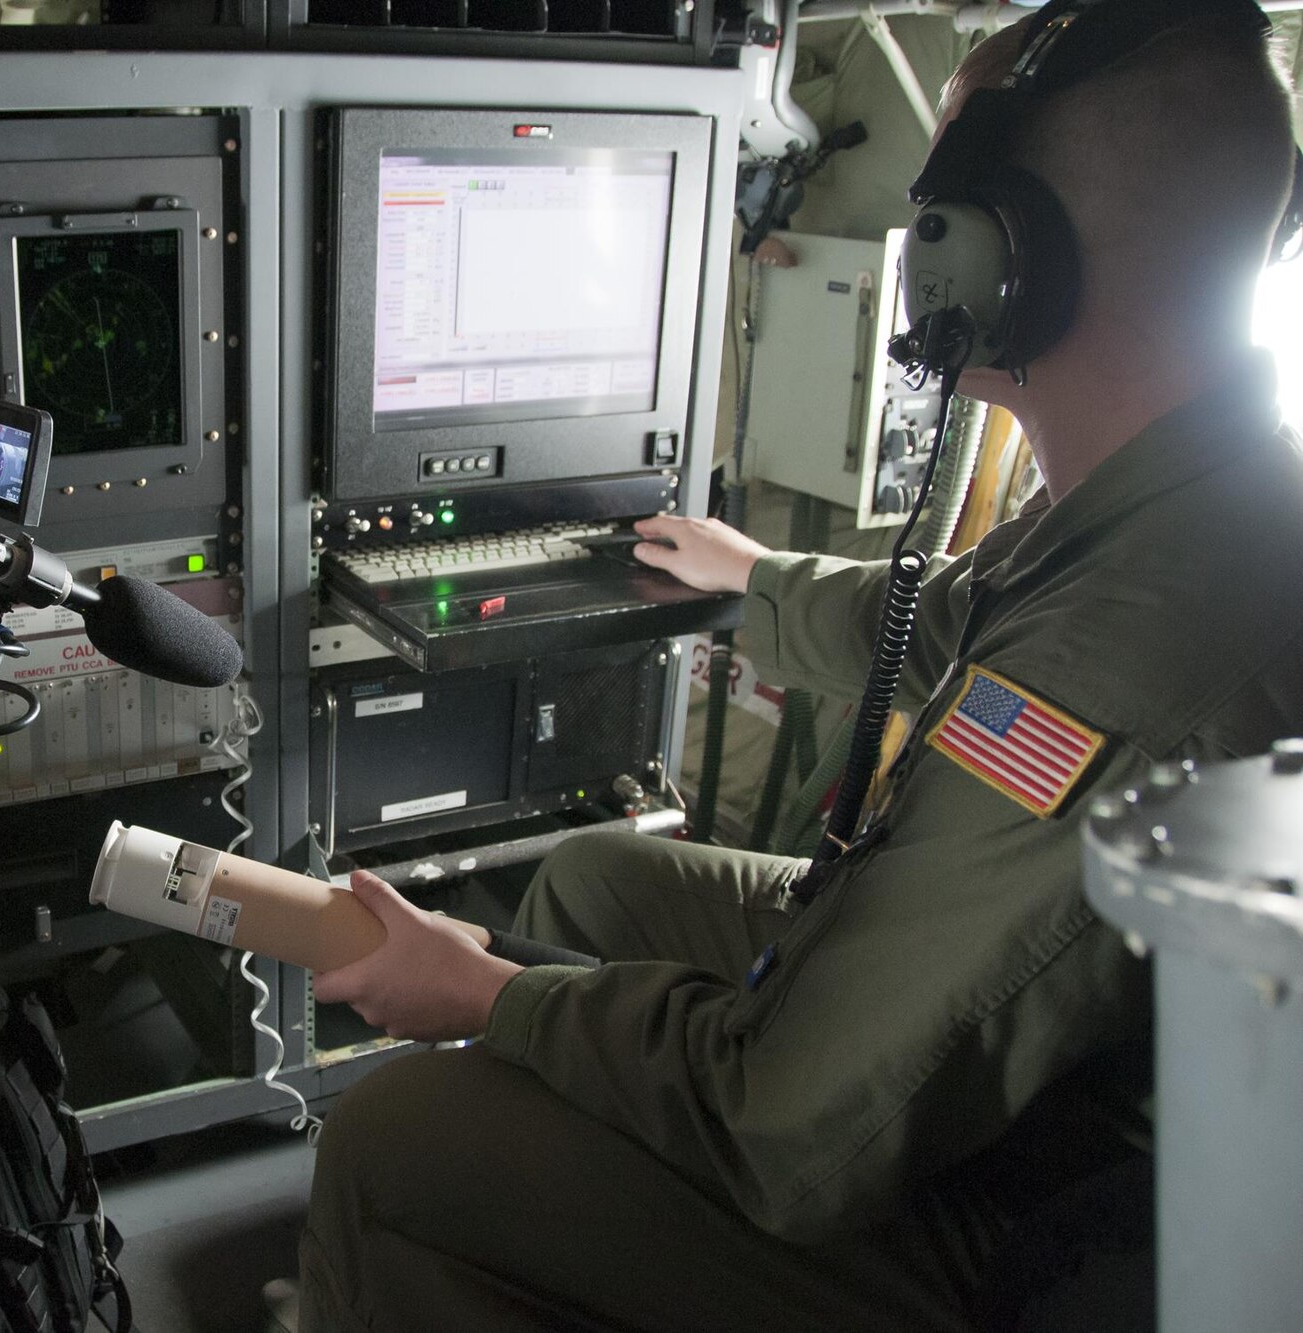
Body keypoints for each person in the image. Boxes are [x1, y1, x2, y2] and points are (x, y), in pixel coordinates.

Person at [297, 4, 1303, 1330]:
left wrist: (487, 991)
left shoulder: (1124, 659)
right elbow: (951, 616)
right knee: (602, 874)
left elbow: (792, 1125)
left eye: (940, 213)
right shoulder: (1206, 493)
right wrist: (755, 578)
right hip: (1084, 1095)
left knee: (396, 1134)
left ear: (1009, 255)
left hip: (1066, 1229)